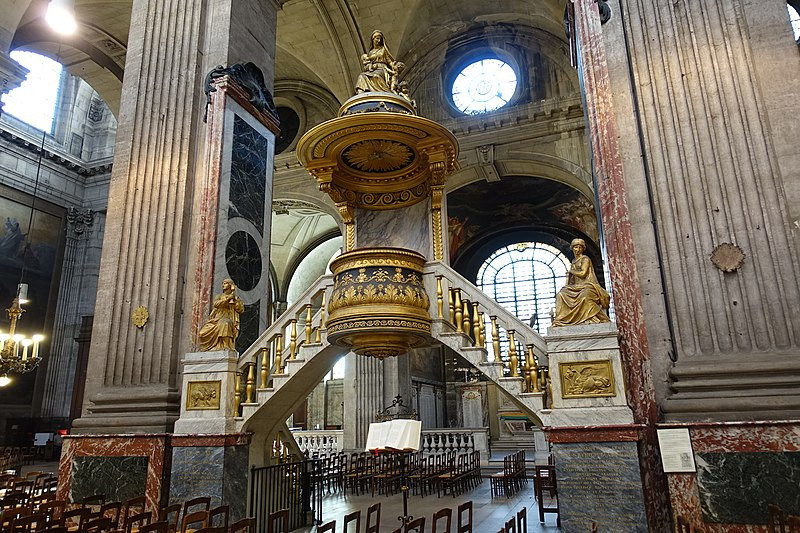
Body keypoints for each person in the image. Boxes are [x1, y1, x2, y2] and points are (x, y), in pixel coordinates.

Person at [552, 238, 610, 326]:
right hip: (577, 287)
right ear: (572, 248)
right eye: (576, 247)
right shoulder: (573, 261)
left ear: (583, 249)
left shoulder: (585, 259)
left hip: (589, 286)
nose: (578, 249)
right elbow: (572, 280)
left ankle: (596, 317)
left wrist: (571, 271)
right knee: (561, 294)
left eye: (580, 247)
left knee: (585, 297)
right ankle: (561, 320)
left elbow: (583, 274)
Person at [198, 278, 244, 351]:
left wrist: (235, 302)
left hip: (228, 318)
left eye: (225, 283)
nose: (223, 285)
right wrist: (227, 299)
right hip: (216, 319)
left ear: (230, 285)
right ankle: (212, 347)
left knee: (225, 323)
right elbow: (216, 304)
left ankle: (225, 346)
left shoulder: (235, 298)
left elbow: (240, 309)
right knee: (202, 333)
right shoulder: (219, 296)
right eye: (223, 283)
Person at [355, 30, 401, 94]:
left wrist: (393, 66)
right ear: (373, 39)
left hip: (382, 69)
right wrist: (370, 66)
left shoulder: (383, 50)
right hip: (373, 69)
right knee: (362, 76)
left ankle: (386, 92)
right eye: (377, 38)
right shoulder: (371, 52)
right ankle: (361, 94)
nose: (378, 41)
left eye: (380, 39)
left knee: (376, 76)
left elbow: (389, 61)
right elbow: (367, 64)